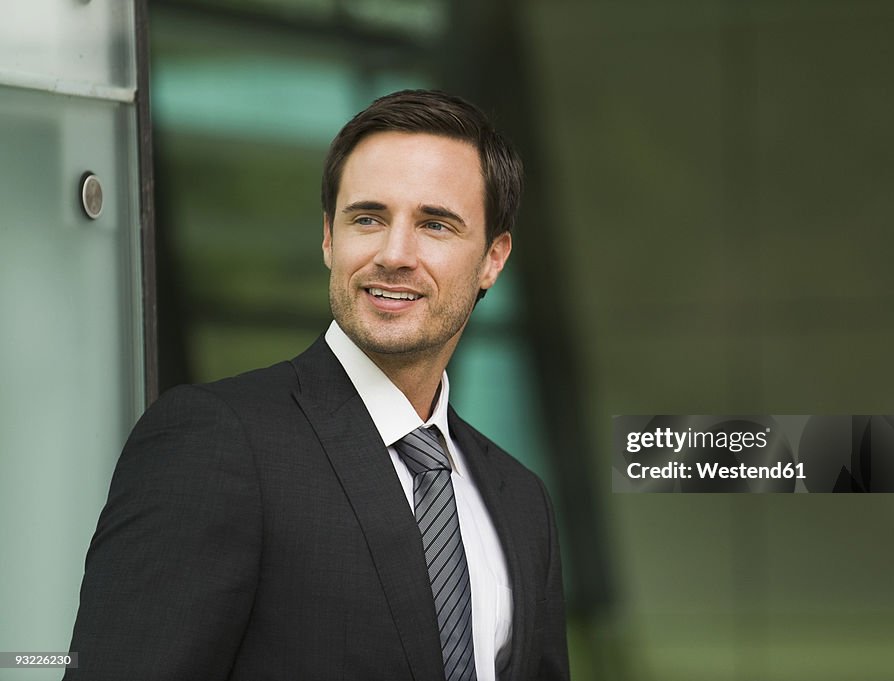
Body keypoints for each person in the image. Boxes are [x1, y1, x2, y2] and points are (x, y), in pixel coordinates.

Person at [64, 90, 569, 681]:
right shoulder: (214, 442)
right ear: (329, 237)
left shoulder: (519, 497)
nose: (394, 253)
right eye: (368, 219)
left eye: (434, 224)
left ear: (493, 258)